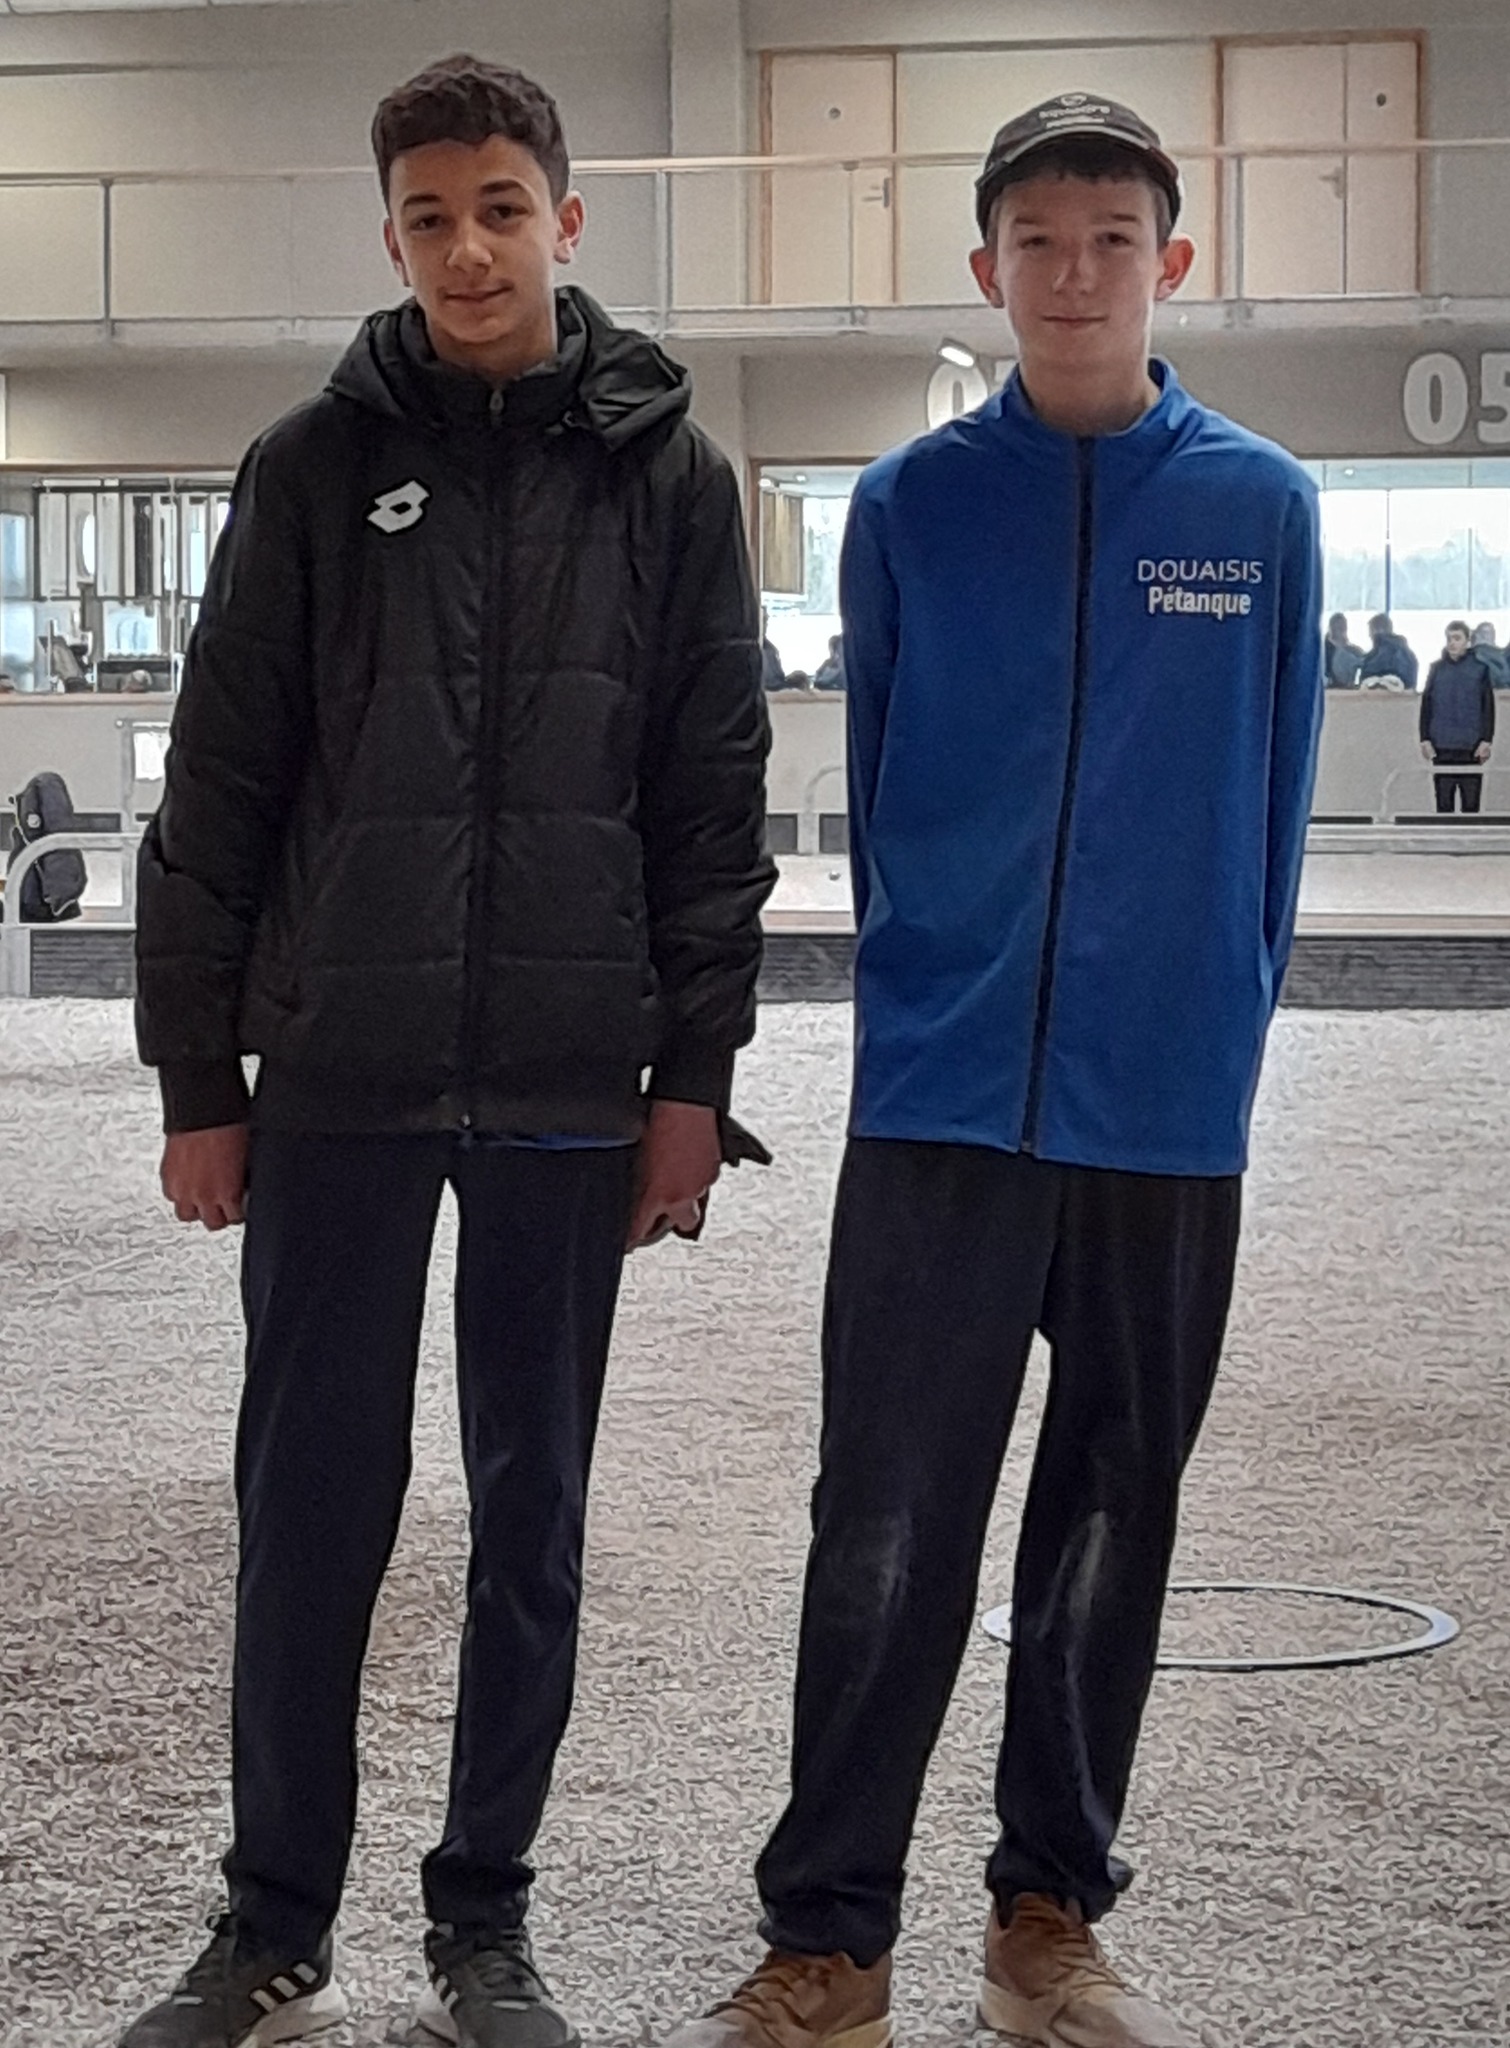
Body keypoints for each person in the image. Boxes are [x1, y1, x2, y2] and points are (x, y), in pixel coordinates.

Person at [125, 53, 774, 2048]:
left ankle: (483, 1916)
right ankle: (271, 1917)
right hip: (341, 1074)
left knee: (531, 1512)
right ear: (390, 235)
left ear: (565, 219)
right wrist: (198, 1079)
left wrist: (694, 1078)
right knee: (308, 1506)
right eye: (430, 217)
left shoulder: (671, 476)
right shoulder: (312, 466)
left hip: (574, 1083)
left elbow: (710, 798)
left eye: (502, 208)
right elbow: (221, 784)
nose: (469, 248)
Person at [662, 93, 1321, 2048]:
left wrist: (1212, 1018)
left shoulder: (1261, 509)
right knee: (882, 1518)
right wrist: (927, 988)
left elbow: (1272, 810)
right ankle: (829, 1938)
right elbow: (877, 783)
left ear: (1170, 264)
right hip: (940, 1101)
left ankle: (1047, 1914)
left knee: (1113, 1506)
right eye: (1038, 242)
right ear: (986, 269)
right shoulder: (909, 508)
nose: (1075, 274)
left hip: (1160, 1107)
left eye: (1112, 240)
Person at [1420, 619, 1495, 814]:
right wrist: (1425, 738)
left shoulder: (1480, 670)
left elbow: (1488, 707)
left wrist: (1486, 740)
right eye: (1449, 638)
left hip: (1471, 746)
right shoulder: (1436, 669)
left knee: (1471, 806)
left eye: (1457, 638)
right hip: (1442, 746)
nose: (1452, 643)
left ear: (1468, 642)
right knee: (1443, 806)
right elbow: (1426, 706)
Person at [1359, 612, 1418, 690]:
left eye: (1370, 631)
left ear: (1376, 630)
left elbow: (1368, 679)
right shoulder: (1409, 654)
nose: (1370, 636)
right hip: (1405, 696)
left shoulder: (1378, 655)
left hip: (1379, 696)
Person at [1324, 611, 1362, 688]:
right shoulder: (1326, 648)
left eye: (1344, 626)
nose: (1341, 628)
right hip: (1332, 685)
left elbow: (1362, 659)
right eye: (1339, 626)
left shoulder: (1352, 648)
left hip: (1348, 685)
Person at [1471, 620, 1510, 689]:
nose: (1490, 635)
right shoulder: (1477, 654)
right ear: (1477, 635)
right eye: (1485, 633)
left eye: (1492, 632)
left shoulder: (1499, 653)